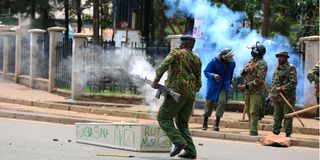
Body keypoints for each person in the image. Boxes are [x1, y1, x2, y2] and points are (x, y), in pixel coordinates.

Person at [151, 35, 202, 159]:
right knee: (182, 123)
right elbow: (198, 81)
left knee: (163, 118)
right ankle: (190, 151)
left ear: (183, 44)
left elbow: (162, 66)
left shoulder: (176, 53)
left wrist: (155, 81)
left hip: (176, 92)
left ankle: (178, 142)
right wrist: (192, 90)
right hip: (190, 94)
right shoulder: (196, 58)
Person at [202, 48, 235, 131]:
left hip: (224, 84)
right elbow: (206, 72)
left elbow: (230, 73)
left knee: (222, 101)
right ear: (224, 57)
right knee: (209, 102)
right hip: (213, 85)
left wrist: (231, 81)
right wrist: (213, 75)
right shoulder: (213, 61)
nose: (231, 58)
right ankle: (205, 122)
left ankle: (216, 123)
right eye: (229, 56)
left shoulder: (232, 63)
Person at [238, 41, 268, 136]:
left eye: (253, 50)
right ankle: (251, 129)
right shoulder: (251, 61)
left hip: (255, 91)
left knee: (253, 111)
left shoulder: (262, 64)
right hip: (247, 91)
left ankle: (253, 131)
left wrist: (246, 86)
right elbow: (241, 72)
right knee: (248, 111)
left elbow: (259, 79)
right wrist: (244, 71)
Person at [270, 51, 297, 137]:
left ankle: (288, 134)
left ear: (286, 58)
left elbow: (293, 83)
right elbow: (274, 82)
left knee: (287, 116)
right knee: (277, 115)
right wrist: (272, 93)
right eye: (278, 57)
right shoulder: (276, 68)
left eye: (281, 57)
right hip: (277, 96)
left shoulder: (290, 68)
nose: (279, 58)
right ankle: (275, 132)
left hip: (287, 97)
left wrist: (281, 88)